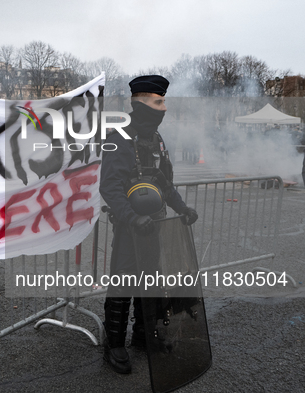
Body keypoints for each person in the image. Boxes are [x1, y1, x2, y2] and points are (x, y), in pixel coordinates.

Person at [99, 75, 198, 374]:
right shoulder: (119, 137)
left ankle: (144, 336)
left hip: (154, 226)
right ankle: (114, 344)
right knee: (123, 285)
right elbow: (110, 187)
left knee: (151, 282)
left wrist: (182, 208)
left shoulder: (156, 139)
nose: (164, 108)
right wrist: (132, 218)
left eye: (164, 101)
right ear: (141, 103)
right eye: (159, 102)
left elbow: (164, 183)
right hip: (130, 227)